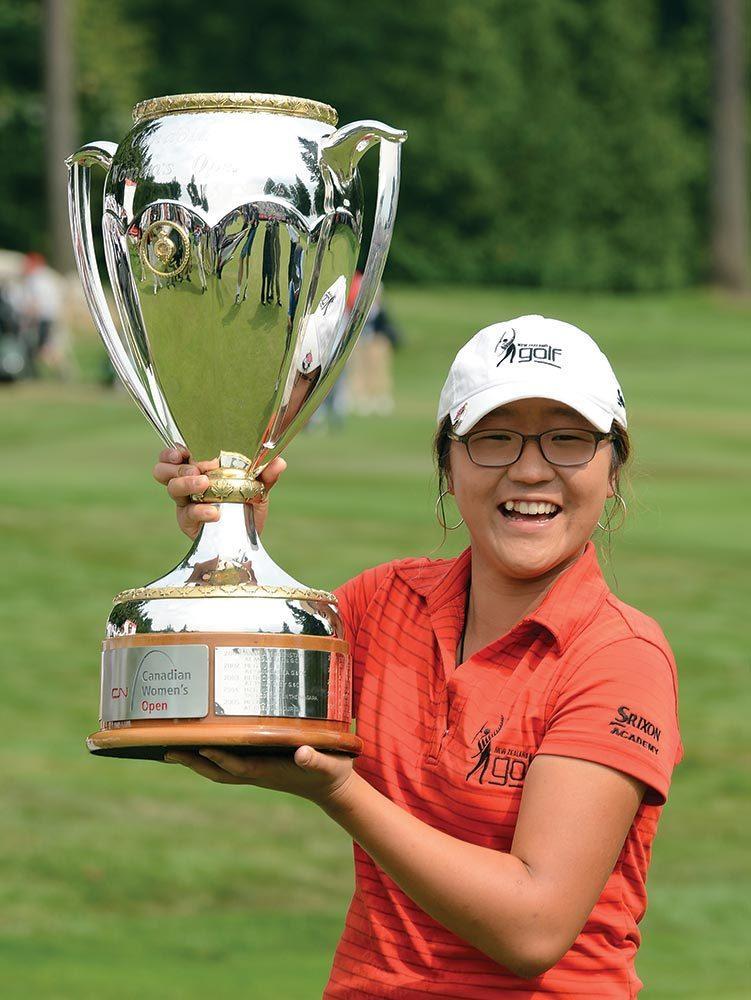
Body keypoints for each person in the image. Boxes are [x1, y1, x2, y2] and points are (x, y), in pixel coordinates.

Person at [152, 314, 684, 998]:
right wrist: (229, 532)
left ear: (611, 469)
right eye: (493, 439)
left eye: (568, 440)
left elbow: (533, 926)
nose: (529, 468)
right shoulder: (382, 603)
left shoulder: (619, 657)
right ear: (448, 462)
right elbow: (238, 688)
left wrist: (341, 793)